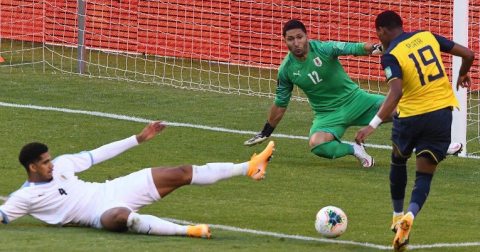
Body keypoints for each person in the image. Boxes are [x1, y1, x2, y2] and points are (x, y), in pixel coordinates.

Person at [0, 121, 275, 238]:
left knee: (178, 173)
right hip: (97, 214)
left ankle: (249, 167)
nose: (51, 164)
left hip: (112, 188)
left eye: (50, 160)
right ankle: (188, 231)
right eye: (46, 162)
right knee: (122, 218)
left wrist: (139, 139)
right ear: (32, 167)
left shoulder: (63, 165)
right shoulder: (25, 197)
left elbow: (100, 154)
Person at [354, 10, 474, 252]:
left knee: (398, 161)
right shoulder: (427, 36)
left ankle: (397, 216)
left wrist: (372, 124)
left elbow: (395, 92)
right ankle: (410, 215)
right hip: (441, 115)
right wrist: (462, 73)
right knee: (424, 176)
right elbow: (468, 54)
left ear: (381, 31)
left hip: (410, 118)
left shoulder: (391, 56)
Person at [244, 19, 389, 168]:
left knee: (400, 110)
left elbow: (353, 47)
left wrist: (378, 48)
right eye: (290, 39)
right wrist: (266, 131)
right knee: (317, 144)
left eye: (299, 37)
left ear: (307, 36)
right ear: (285, 41)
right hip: (327, 114)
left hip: (356, 101)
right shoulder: (286, 70)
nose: (296, 42)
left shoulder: (322, 48)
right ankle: (355, 149)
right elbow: (281, 103)